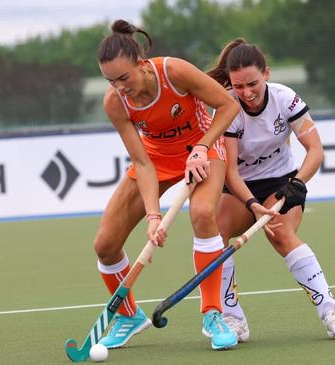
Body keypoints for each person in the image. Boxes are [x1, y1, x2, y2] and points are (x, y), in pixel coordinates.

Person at [93, 20, 241, 351]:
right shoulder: (116, 103)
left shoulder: (173, 72)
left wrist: (203, 146)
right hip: (156, 160)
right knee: (105, 244)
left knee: (203, 215)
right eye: (111, 81)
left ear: (142, 65)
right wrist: (153, 216)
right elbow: (142, 162)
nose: (119, 87)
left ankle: (213, 314)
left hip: (201, 149)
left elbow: (228, 105)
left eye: (123, 77)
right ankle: (129, 316)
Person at [206, 38, 335, 342]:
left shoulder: (285, 99)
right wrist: (251, 204)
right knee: (216, 232)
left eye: (253, 83)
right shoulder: (228, 107)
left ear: (267, 73)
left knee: (281, 235)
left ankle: (331, 314)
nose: (247, 93)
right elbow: (232, 171)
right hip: (240, 187)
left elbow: (315, 149)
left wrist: (298, 183)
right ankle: (232, 319)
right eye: (239, 86)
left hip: (281, 180)